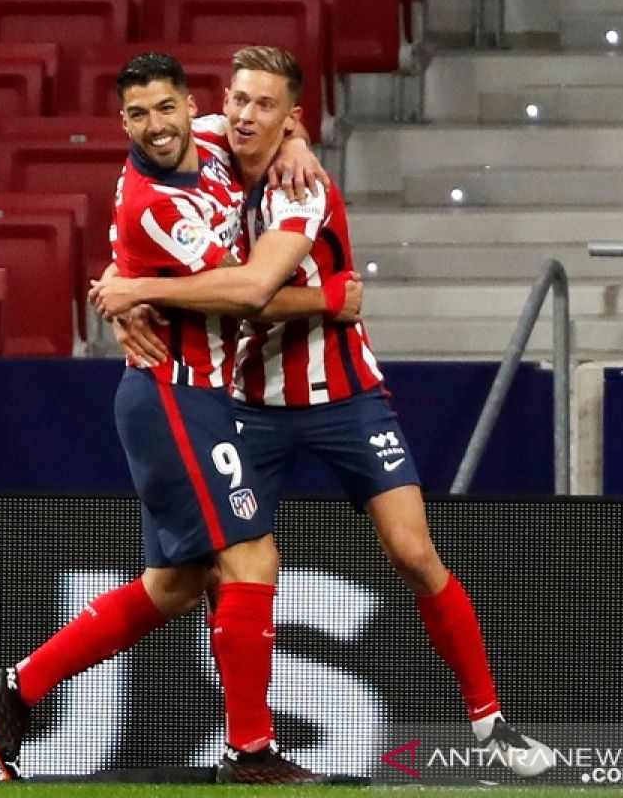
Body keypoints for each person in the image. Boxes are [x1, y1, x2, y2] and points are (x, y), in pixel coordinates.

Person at [90, 45, 556, 779]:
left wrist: (145, 291)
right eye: (239, 99)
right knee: (205, 577)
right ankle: (245, 747)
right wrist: (123, 284)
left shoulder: (300, 188)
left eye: (266, 106)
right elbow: (145, 193)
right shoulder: (204, 138)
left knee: (411, 551)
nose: (245, 116)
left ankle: (491, 724)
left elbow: (250, 290)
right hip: (246, 400)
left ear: (292, 117)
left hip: (344, 396)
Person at [0, 52, 355, 785]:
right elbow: (245, 291)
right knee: (252, 558)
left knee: (176, 584)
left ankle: (15, 687)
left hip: (188, 395)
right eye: (139, 115)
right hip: (175, 395)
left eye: (167, 108)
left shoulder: (208, 140)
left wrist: (298, 138)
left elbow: (264, 125)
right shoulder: (155, 201)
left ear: (188, 105)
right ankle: (249, 753)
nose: (158, 126)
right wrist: (330, 300)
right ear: (125, 122)